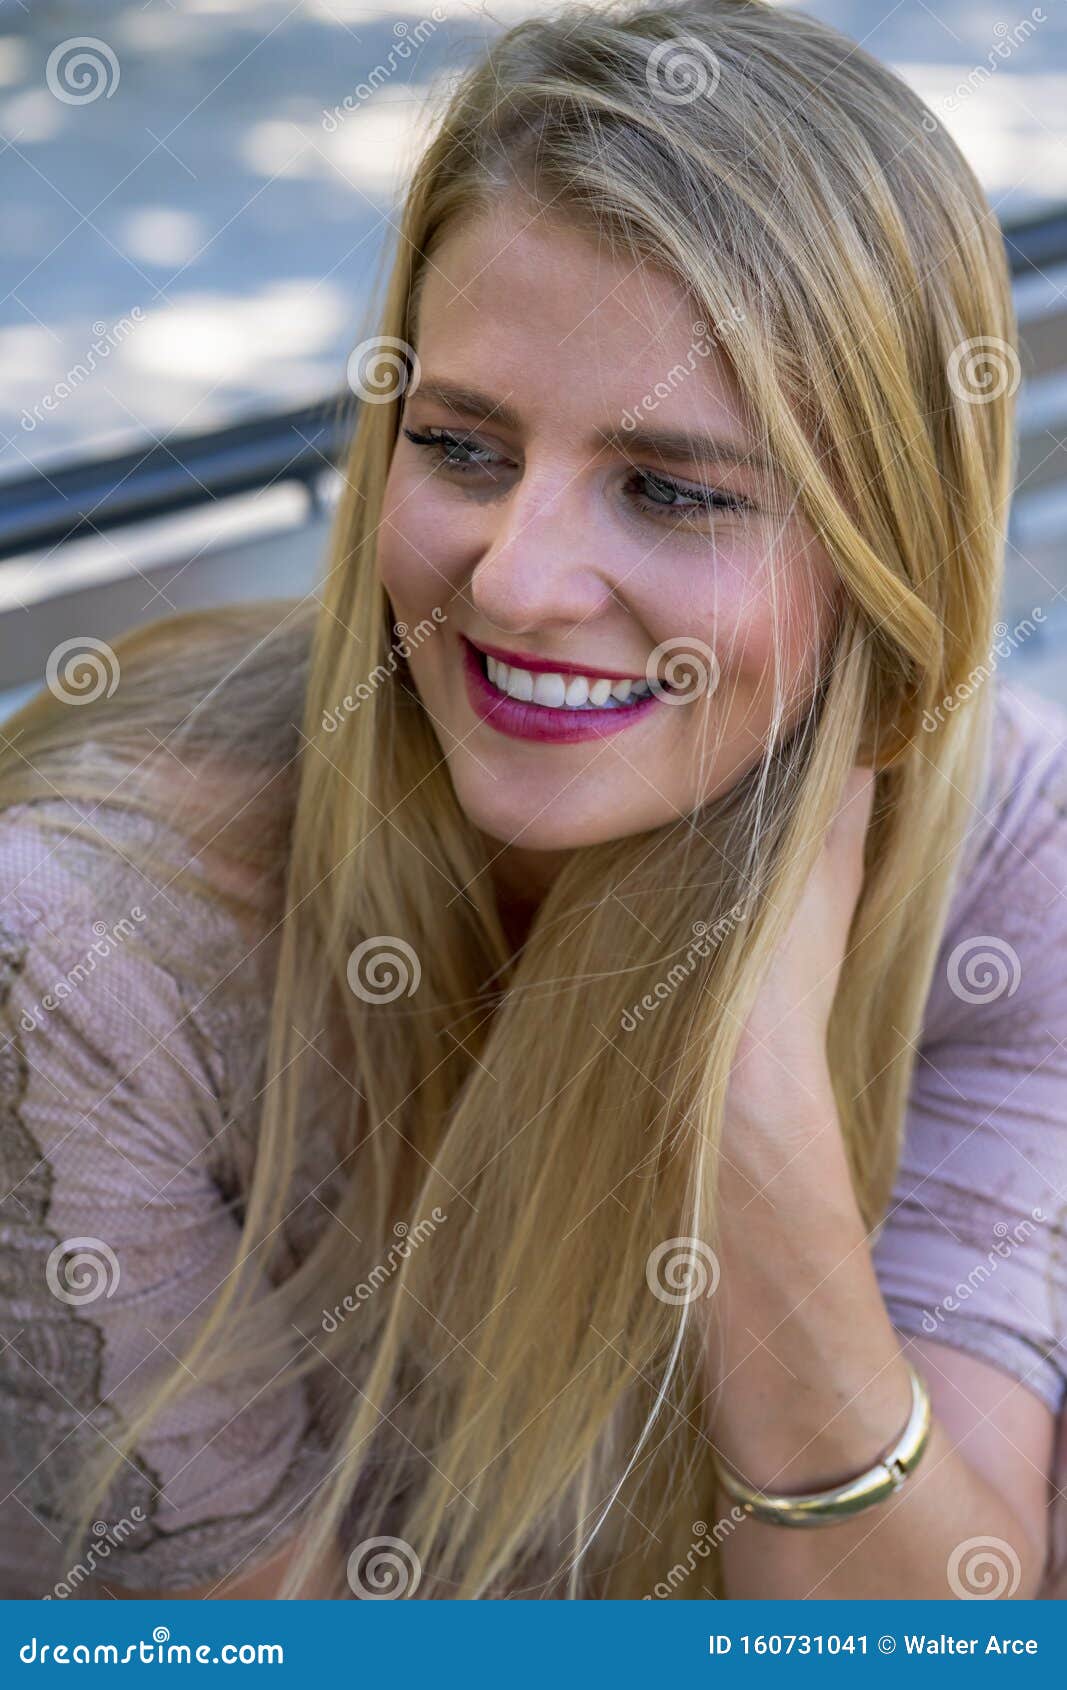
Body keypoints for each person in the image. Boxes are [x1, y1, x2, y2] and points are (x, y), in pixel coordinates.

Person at [1, 0, 1066, 1601]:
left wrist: (752, 1112)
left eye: (672, 489)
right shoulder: (91, 953)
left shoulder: (1004, 851)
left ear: (889, 557)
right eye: (463, 447)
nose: (516, 576)